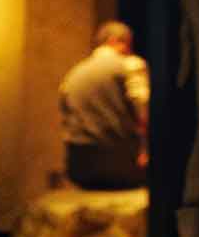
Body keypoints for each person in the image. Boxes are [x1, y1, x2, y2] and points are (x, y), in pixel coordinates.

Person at [59, 20, 150, 190]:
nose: (129, 50)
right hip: (120, 169)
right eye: (127, 44)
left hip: (79, 171)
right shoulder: (130, 65)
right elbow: (144, 111)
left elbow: (65, 118)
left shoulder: (73, 73)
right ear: (114, 41)